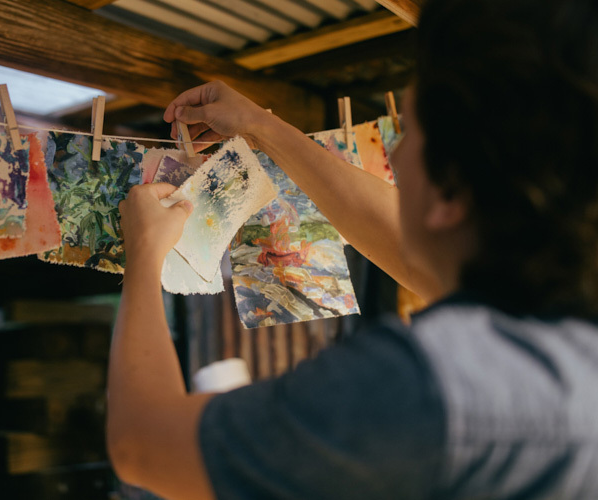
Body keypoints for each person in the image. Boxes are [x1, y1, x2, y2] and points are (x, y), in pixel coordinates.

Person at [106, 0, 598, 498]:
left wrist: (144, 254)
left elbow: (144, 445)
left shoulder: (421, 385)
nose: (396, 158)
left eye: (409, 132)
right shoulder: (566, 343)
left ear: (452, 188)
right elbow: (392, 237)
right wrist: (259, 125)